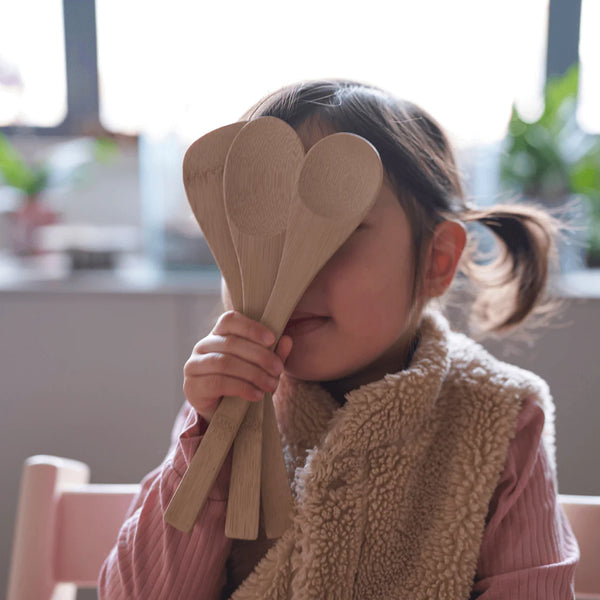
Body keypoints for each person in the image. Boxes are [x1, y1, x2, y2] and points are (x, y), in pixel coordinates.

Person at [99, 79, 579, 599]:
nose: (293, 273)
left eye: (336, 235)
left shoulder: (500, 419)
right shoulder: (222, 413)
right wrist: (209, 443)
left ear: (436, 262)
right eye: (265, 239)